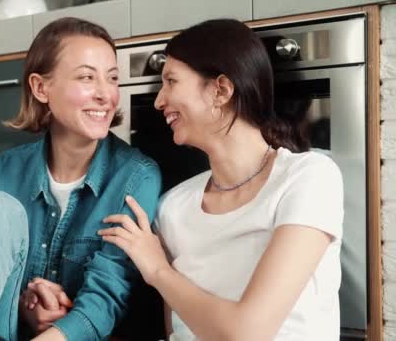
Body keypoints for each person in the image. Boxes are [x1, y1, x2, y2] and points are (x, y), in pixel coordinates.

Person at [98, 19, 344, 341]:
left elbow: (248, 332)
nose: (159, 101)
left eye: (171, 81)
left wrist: (159, 271)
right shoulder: (174, 206)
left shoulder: (308, 178)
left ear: (221, 90)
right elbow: (177, 332)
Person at [0, 17, 162, 341]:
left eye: (113, 78)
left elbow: (105, 299)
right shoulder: (3, 172)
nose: (106, 94)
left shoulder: (136, 178)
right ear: (40, 87)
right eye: (86, 77)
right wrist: (25, 304)